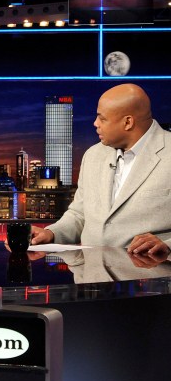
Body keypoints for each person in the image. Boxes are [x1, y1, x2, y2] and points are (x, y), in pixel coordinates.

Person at [31, 83, 171, 255]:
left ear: (127, 122)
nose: (95, 123)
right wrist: (51, 233)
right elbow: (79, 214)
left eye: (102, 118)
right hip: (92, 276)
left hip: (152, 275)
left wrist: (168, 245)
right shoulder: (92, 156)